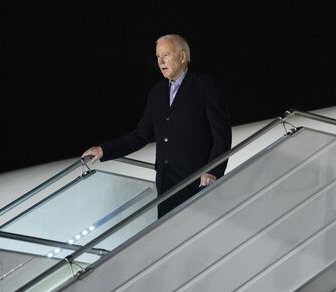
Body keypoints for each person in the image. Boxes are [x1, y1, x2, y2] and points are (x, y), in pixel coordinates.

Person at [82, 34, 231, 217]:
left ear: (182, 57)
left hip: (198, 182)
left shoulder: (206, 87)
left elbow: (222, 137)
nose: (160, 61)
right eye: (158, 56)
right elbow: (141, 135)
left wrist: (212, 171)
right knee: (168, 240)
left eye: (166, 55)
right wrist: (104, 150)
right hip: (166, 183)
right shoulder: (156, 93)